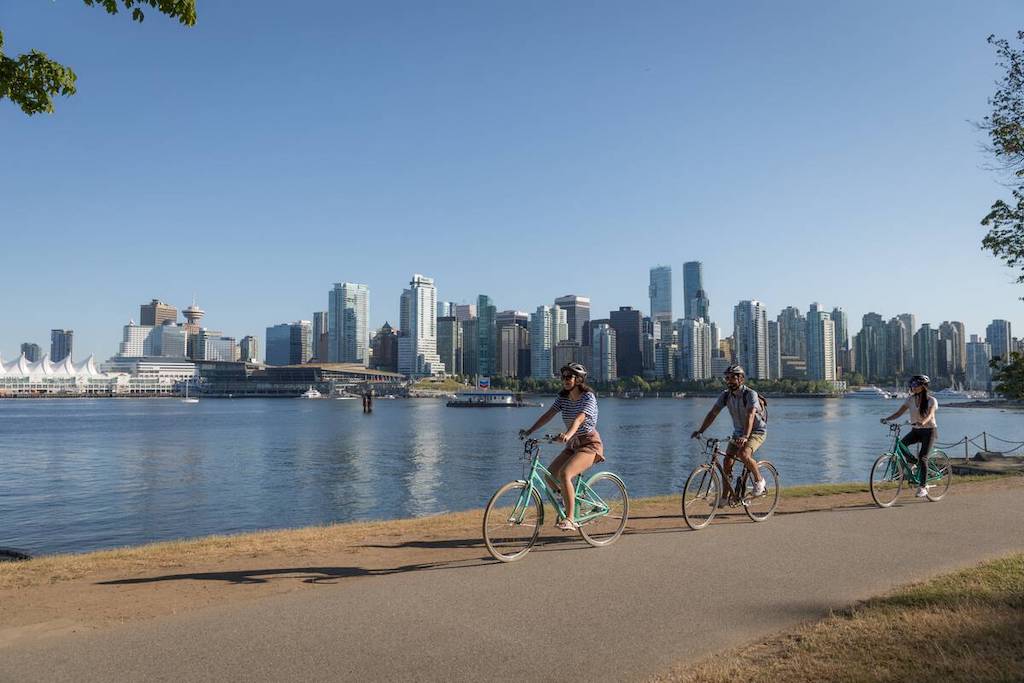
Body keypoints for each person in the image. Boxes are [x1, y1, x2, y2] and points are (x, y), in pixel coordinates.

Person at [519, 362, 603, 531]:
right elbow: (548, 415)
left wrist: (567, 435)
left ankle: (571, 519)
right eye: (563, 377)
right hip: (573, 444)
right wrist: (529, 431)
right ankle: (567, 499)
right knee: (549, 477)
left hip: (589, 444)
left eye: (569, 377)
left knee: (565, 474)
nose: (565, 380)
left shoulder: (588, 397)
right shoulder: (563, 398)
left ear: (578, 379)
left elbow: (579, 419)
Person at [690, 365, 767, 500]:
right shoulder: (725, 396)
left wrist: (745, 436)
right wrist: (700, 431)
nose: (729, 380)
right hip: (738, 433)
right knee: (727, 462)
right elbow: (713, 413)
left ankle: (760, 481)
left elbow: (750, 415)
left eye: (732, 377)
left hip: (756, 431)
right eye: (727, 378)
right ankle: (725, 497)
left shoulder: (750, 394)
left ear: (741, 379)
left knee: (743, 454)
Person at [881, 374, 937, 498]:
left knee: (923, 457)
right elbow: (899, 412)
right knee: (901, 445)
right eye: (911, 385)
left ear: (923, 386)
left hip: (929, 431)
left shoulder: (931, 400)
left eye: (915, 385)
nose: (913, 387)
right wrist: (887, 419)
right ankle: (912, 461)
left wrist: (924, 421)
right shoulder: (910, 399)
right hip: (916, 430)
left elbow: (931, 414)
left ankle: (923, 487)